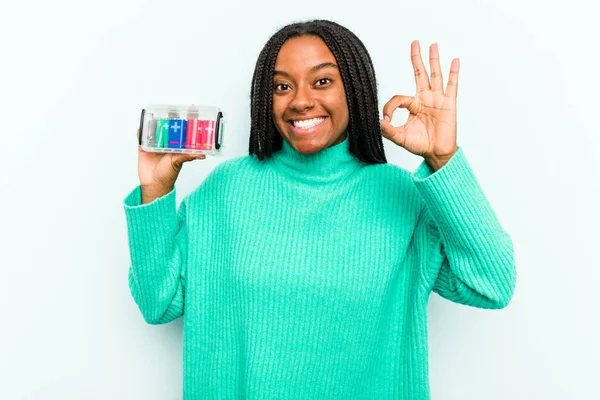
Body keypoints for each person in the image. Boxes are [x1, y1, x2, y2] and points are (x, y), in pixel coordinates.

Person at [123, 19, 516, 399]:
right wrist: (155, 191)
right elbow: (159, 303)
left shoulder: (401, 196)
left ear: (355, 90)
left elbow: (491, 285)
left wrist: (443, 160)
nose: (300, 101)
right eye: (281, 86)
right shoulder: (226, 190)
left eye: (322, 81)